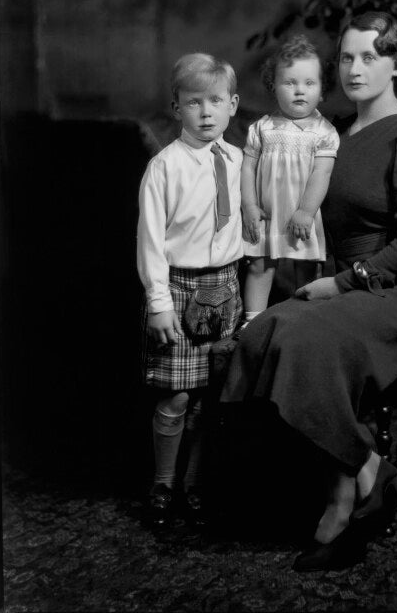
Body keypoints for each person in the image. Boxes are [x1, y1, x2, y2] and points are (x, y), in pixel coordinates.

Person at [221, 11, 397, 570]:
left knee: (303, 340)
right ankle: (372, 468)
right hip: (341, 287)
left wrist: (342, 283)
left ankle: (341, 498)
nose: (355, 68)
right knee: (267, 330)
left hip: (395, 292)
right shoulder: (331, 132)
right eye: (347, 57)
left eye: (370, 57)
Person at [137, 53, 243, 528]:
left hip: (226, 286)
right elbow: (151, 240)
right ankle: (163, 484)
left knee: (210, 397)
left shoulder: (240, 161)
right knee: (177, 396)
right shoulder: (165, 166)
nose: (206, 112)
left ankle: (196, 483)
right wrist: (158, 303)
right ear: (175, 107)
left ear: (233, 105)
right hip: (179, 289)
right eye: (194, 102)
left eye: (215, 101)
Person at [240, 34, 339, 326]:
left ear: (322, 91)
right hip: (266, 213)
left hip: (300, 213)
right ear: (273, 86)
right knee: (259, 266)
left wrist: (306, 211)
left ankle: (300, 320)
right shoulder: (262, 128)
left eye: (309, 83)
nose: (299, 91)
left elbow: (322, 174)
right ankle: (252, 321)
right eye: (290, 82)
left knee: (305, 267)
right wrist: (249, 205)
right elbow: (248, 168)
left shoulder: (324, 132)